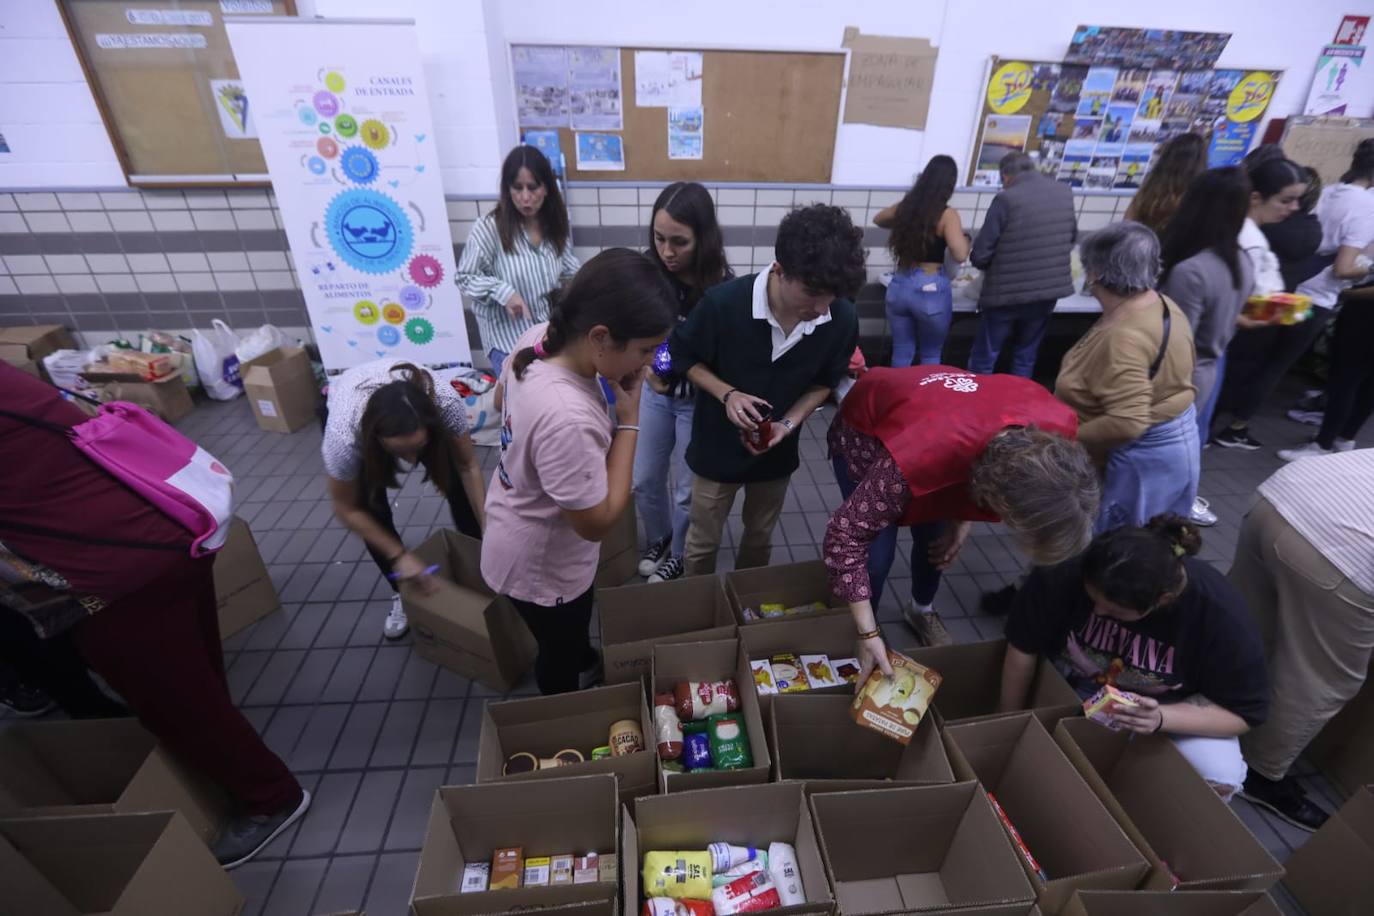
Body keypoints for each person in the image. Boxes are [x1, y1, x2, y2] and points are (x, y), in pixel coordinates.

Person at [0, 364, 310, 868]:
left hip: (109, 570)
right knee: (195, 674)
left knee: (171, 702)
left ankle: (271, 798)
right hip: (160, 523)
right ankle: (222, 732)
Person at [482, 248, 677, 694]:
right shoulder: (568, 415)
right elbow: (597, 523)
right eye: (646, 350)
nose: (648, 364)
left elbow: (499, 402)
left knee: (565, 633)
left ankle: (581, 654)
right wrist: (629, 419)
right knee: (558, 654)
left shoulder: (536, 338)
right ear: (601, 336)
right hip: (542, 564)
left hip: (511, 525)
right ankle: (564, 706)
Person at [824, 364, 1098, 656]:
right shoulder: (918, 454)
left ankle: (920, 609)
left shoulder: (1058, 432)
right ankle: (866, 629)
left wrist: (961, 521)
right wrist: (868, 633)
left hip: (952, 421)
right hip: (875, 422)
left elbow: (998, 465)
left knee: (938, 541)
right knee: (876, 556)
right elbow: (845, 535)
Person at [999, 515, 1269, 799]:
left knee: (1219, 774)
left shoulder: (1220, 618)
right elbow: (1022, 647)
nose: (1099, 613)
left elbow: (1245, 713)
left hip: (1169, 707)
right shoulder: (1067, 569)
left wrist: (1161, 717)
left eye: (1115, 612)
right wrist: (1007, 720)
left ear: (1163, 600)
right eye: (1092, 600)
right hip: (1075, 685)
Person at [670, 204, 862, 576]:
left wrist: (787, 425)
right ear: (779, 270)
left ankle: (747, 607)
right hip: (716, 448)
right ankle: (694, 610)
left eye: (832, 296)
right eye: (812, 293)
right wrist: (727, 394)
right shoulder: (723, 304)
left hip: (777, 450)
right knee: (702, 542)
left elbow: (826, 381)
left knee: (759, 537)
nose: (822, 308)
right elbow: (678, 355)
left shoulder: (840, 318)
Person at [1231, 450, 1374, 829]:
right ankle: (1260, 773)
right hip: (1344, 550)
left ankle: (1198, 706)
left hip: (1284, 494)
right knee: (1321, 676)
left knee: (1247, 625)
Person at [323, 361, 486, 640]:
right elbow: (346, 507)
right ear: (378, 439)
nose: (412, 461)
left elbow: (468, 466)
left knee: (458, 490)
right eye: (401, 451)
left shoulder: (445, 402)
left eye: (419, 449)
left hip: (419, 419)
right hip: (356, 414)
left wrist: (488, 525)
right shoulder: (343, 436)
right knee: (373, 510)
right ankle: (402, 591)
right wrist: (399, 556)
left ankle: (481, 567)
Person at [1055, 221, 1198, 532]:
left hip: (1138, 463)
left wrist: (1063, 437)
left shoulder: (1124, 338)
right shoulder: (1161, 305)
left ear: (1093, 273)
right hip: (1167, 445)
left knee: (1112, 545)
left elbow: (1127, 422)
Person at [633, 182, 733, 584]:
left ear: (703, 238)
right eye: (659, 238)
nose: (667, 252)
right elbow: (651, 336)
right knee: (644, 479)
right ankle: (659, 538)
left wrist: (665, 368)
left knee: (687, 492)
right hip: (655, 394)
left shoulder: (723, 287)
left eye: (680, 242)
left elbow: (714, 354)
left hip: (697, 401)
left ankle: (678, 554)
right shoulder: (648, 271)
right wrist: (651, 369)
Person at [1159, 167, 1256, 526]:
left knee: (1161, 455)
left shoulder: (1191, 271)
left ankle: (1165, 516)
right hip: (1209, 370)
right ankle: (1175, 510)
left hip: (1179, 378)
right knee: (1185, 447)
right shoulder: (1241, 260)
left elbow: (1173, 343)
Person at [1279, 146, 1374, 461]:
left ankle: (1323, 444)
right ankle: (1342, 439)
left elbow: (1343, 268)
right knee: (1363, 381)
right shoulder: (1366, 205)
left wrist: (1353, 287)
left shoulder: (1332, 193)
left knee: (1346, 376)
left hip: (1316, 292)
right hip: (1328, 298)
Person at [1211, 158, 1309, 451]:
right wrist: (1249, 318)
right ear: (1256, 197)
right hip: (1213, 345)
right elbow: (1227, 304)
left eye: (1298, 200)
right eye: (1286, 200)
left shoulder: (1230, 227)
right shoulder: (1249, 241)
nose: (1294, 208)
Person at [456, 145, 579, 377]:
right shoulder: (489, 227)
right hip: (506, 340)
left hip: (545, 333)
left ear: (547, 188)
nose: (525, 197)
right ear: (507, 189)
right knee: (522, 398)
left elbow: (569, 270)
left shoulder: (554, 228)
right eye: (517, 188)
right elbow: (464, 277)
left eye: (532, 187)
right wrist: (503, 292)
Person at [968, 151, 1077, 378]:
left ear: (1006, 176)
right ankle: (1018, 408)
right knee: (1025, 354)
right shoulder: (1064, 193)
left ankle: (976, 404)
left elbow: (981, 253)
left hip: (1006, 293)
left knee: (986, 356)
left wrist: (985, 264)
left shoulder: (1007, 198)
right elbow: (1071, 237)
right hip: (1046, 293)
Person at [873, 155, 971, 366]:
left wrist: (907, 219)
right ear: (949, 184)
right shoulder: (947, 215)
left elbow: (878, 219)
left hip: (900, 285)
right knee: (930, 354)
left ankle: (896, 396)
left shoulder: (907, 207)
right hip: (930, 288)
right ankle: (925, 398)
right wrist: (964, 240)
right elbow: (960, 253)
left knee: (902, 350)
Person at [1124, 133, 1207, 239]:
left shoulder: (1153, 183)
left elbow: (1128, 222)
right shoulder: (1202, 192)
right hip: (1177, 251)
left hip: (1142, 246)